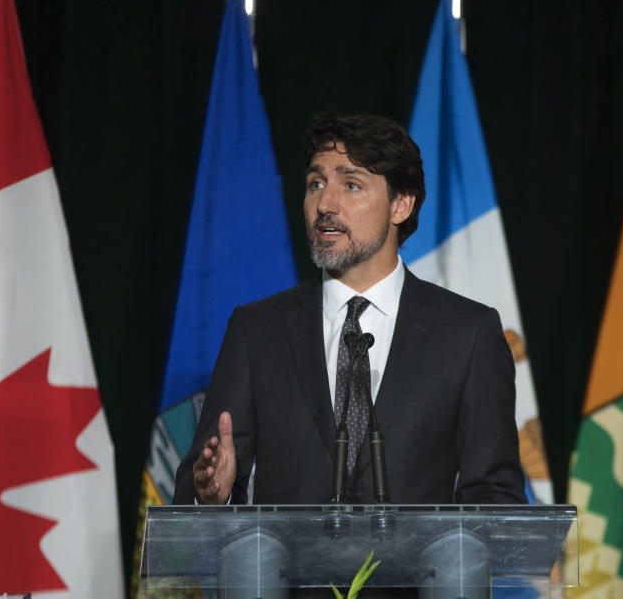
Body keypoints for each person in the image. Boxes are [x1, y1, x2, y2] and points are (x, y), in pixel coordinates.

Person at [172, 111, 525, 505]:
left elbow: (496, 498)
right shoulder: (257, 330)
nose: (325, 203)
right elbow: (196, 487)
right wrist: (211, 494)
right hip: (288, 568)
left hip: (417, 569)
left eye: (351, 184)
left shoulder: (468, 333)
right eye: (316, 183)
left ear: (401, 205)